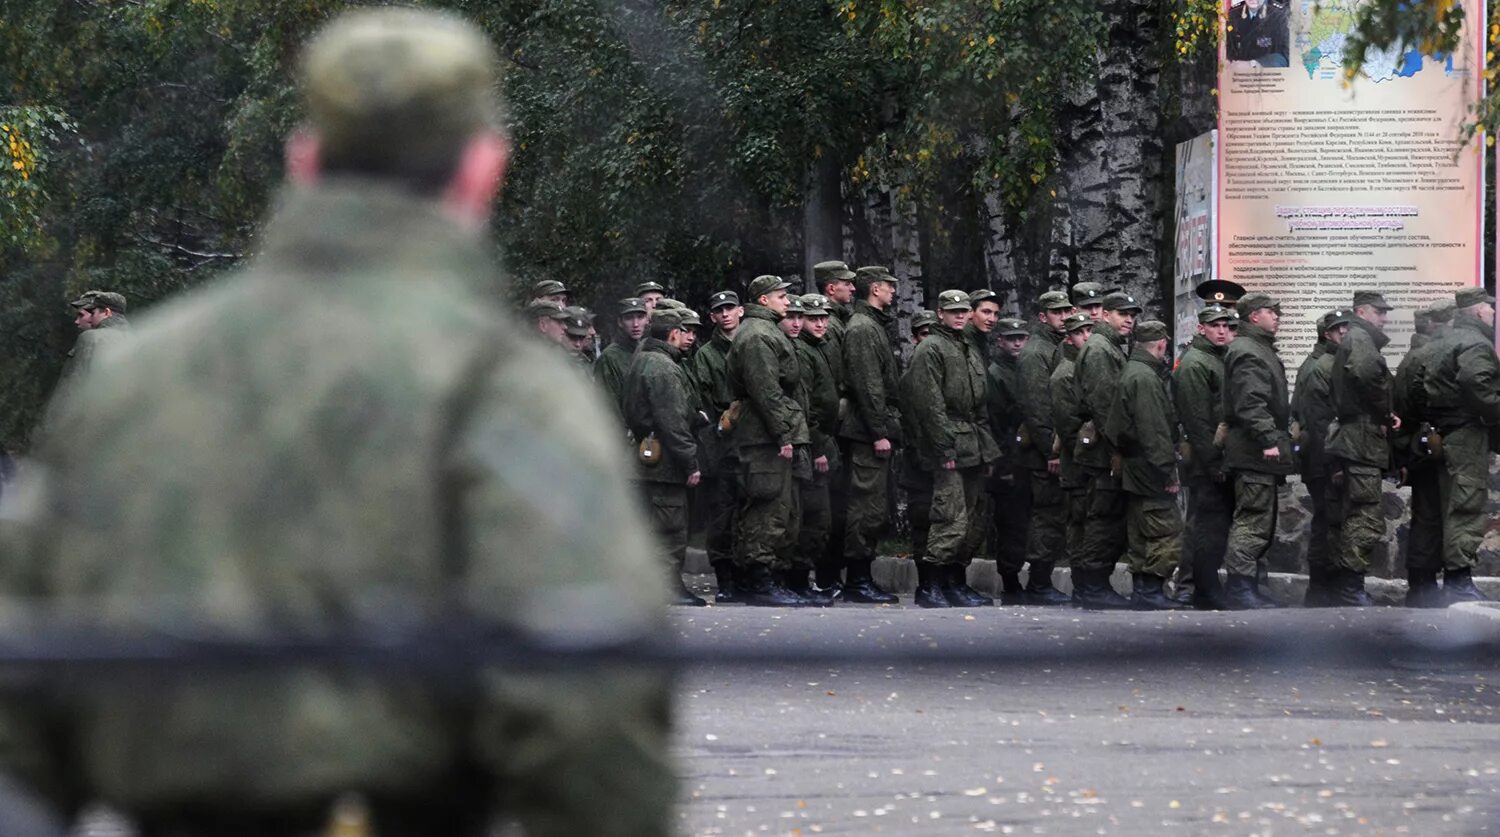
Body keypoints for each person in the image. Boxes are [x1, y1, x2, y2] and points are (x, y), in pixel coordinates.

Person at [0, 9, 676, 835]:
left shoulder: (131, 376)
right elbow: (589, 700)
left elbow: (21, 676)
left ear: (306, 161)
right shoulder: (503, 387)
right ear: (483, 170)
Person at [904, 290, 999, 607]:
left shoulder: (969, 346)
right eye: (952, 310)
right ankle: (930, 586)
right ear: (939, 313)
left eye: (963, 310)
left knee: (972, 520)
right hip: (948, 445)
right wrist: (944, 449)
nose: (959, 315)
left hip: (972, 442)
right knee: (949, 516)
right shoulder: (930, 348)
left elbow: (980, 401)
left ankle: (954, 583)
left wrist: (987, 450)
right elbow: (930, 406)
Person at [726, 275, 812, 607]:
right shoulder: (759, 336)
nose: (787, 302)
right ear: (763, 300)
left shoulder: (764, 331)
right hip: (764, 437)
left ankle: (769, 578)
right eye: (780, 296)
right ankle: (759, 581)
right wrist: (783, 434)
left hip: (770, 433)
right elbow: (766, 392)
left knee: (781, 507)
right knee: (767, 507)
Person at [1418, 287, 1498, 604]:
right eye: (1489, 308)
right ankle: (1458, 581)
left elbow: (1416, 381)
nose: (1493, 313)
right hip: (1466, 433)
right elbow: (1475, 382)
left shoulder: (1441, 341)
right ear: (1479, 311)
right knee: (1466, 504)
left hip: (1442, 431)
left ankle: (1444, 580)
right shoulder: (1476, 342)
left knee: (1446, 505)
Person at [624, 306, 708, 606]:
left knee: (652, 525)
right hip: (665, 463)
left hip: (647, 456)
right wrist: (690, 461)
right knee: (670, 527)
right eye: (686, 331)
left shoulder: (642, 359)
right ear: (673, 333)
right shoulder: (663, 367)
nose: (689, 337)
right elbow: (671, 420)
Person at [1104, 320, 1187, 610]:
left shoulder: (1133, 371)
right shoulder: (1145, 378)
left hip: (1134, 466)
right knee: (1167, 529)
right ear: (1162, 344)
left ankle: (1143, 589)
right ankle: (1151, 590)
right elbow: (1154, 431)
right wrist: (1167, 470)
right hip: (1149, 467)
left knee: (1141, 530)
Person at [833, 266, 902, 603]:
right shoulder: (863, 328)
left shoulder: (870, 325)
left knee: (874, 503)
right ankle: (857, 581)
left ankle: (861, 577)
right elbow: (868, 385)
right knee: (866, 504)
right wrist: (879, 430)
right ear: (875, 288)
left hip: (870, 427)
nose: (893, 291)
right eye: (889, 286)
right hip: (866, 430)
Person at [1221, 292, 1294, 610]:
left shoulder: (1255, 348)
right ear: (1253, 316)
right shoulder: (1250, 352)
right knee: (1252, 520)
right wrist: (1268, 440)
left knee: (1259, 519)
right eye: (1271, 312)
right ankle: (1240, 589)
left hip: (1254, 449)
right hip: (1253, 451)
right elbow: (1251, 403)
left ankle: (1248, 586)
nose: (1277, 317)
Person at [1326, 290, 1397, 607]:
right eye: (1379, 312)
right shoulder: (1361, 338)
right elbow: (1369, 375)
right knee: (1365, 516)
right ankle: (1350, 589)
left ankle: (1348, 587)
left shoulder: (1354, 338)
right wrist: (1384, 412)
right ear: (1362, 311)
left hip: (1356, 437)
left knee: (1356, 512)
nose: (1384, 318)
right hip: (1363, 438)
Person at [1071, 291, 1141, 609]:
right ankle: (1092, 586)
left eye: (1132, 315)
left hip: (1107, 446)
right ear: (1106, 315)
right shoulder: (1100, 349)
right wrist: (1120, 446)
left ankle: (1093, 584)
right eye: (1122, 314)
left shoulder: (1108, 346)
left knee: (1108, 515)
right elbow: (1103, 404)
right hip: (1105, 450)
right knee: (1104, 516)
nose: (1129, 319)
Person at [1171, 304, 1236, 608]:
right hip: (1202, 459)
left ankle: (1200, 585)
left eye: (1226, 325)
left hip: (1215, 457)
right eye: (1216, 325)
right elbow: (1197, 420)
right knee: (1200, 523)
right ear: (1201, 328)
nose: (1222, 331)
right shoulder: (1196, 362)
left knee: (1210, 523)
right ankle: (1189, 586)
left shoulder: (1217, 358)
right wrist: (1212, 462)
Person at [1015, 290, 1076, 606]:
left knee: (1054, 513)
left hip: (1053, 448)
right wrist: (1051, 451)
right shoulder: (1036, 352)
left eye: (1067, 311)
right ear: (1042, 316)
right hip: (1044, 453)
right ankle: (1038, 582)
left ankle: (1042, 580)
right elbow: (1037, 407)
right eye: (1057, 312)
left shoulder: (1054, 347)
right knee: (1048, 514)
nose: (1064, 317)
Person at [1392, 301, 1453, 607]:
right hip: (1431, 446)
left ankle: (1421, 584)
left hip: (1416, 446)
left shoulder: (1411, 357)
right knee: (1432, 516)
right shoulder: (1428, 357)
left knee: (1426, 515)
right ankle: (1423, 587)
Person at [1291, 309, 1351, 606]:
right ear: (1326, 334)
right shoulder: (1320, 367)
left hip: (1321, 457)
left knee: (1328, 521)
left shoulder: (1320, 363)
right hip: (1323, 459)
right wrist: (1335, 463)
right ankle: (1321, 590)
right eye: (1339, 329)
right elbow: (1320, 422)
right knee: (1328, 522)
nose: (1345, 332)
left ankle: (1322, 589)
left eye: (1347, 327)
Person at [688, 289, 743, 601]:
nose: (725, 314)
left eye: (730, 308)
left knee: (749, 512)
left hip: (750, 445)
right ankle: (726, 581)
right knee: (721, 515)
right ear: (712, 317)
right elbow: (705, 405)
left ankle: (749, 577)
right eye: (719, 310)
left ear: (741, 312)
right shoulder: (706, 355)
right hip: (722, 447)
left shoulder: (752, 343)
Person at [795, 294, 843, 604]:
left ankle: (806, 580)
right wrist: (818, 446)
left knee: (821, 517)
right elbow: (805, 406)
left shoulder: (820, 348)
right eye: (814, 319)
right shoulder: (801, 352)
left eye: (824, 318)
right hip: (814, 444)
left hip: (826, 439)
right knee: (812, 517)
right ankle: (798, 580)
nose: (821, 323)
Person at [985, 315, 1033, 604]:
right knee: (1011, 522)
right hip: (1006, 457)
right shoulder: (996, 374)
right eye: (1011, 338)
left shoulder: (1026, 368)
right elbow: (996, 421)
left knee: (1025, 520)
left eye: (1021, 337)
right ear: (1000, 341)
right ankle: (1010, 580)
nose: (1017, 342)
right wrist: (1001, 462)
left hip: (1024, 455)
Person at [1050, 312, 1095, 578]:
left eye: (1090, 330)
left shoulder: (1084, 365)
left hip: (1085, 460)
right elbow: (1068, 428)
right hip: (1077, 462)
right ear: (1069, 337)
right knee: (1079, 520)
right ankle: (1083, 580)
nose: (1087, 336)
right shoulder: (1065, 374)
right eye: (1080, 332)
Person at [593, 297, 650, 415]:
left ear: (647, 320)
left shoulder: (648, 351)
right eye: (629, 318)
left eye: (640, 317)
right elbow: (608, 406)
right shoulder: (609, 358)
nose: (635, 324)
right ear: (620, 322)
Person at [1226, 0, 1290, 68]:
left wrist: (1255, 64)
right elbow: (1228, 48)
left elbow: (1286, 55)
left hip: (1267, 75)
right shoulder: (1233, 13)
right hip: (1237, 75)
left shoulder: (1279, 14)